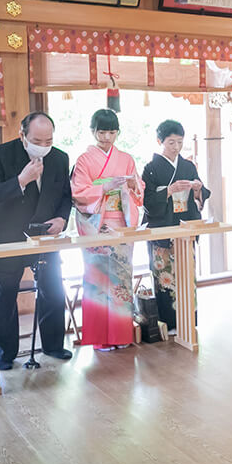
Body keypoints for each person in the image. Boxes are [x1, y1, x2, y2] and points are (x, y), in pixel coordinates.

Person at [0, 111, 74, 369]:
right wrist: (21, 180)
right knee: (4, 296)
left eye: (48, 141)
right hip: (6, 236)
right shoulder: (0, 155)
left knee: (53, 288)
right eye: (37, 140)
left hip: (44, 234)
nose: (43, 146)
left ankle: (54, 345)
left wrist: (61, 219)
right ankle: (4, 353)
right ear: (22, 135)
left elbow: (66, 196)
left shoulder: (60, 158)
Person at [70, 108, 143, 351]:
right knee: (98, 280)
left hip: (120, 222)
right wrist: (104, 188)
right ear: (93, 132)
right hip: (97, 225)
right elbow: (79, 192)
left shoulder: (126, 158)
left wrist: (132, 185)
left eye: (112, 132)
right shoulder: (84, 160)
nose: (107, 138)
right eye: (102, 132)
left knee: (121, 279)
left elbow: (138, 189)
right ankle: (101, 337)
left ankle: (122, 335)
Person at [141, 119, 210, 334]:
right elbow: (147, 201)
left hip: (185, 226)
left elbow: (201, 195)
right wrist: (169, 191)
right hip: (163, 228)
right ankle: (169, 323)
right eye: (171, 142)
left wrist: (198, 189)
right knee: (165, 278)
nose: (176, 147)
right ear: (160, 141)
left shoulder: (188, 165)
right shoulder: (150, 168)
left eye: (179, 142)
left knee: (187, 275)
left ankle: (189, 318)